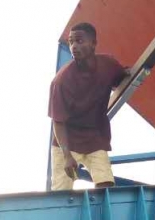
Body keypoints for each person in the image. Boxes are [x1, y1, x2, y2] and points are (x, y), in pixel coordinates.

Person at [48, 22, 129, 190]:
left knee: (105, 183)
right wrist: (66, 155)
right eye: (71, 42)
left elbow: (123, 76)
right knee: (61, 194)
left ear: (93, 44)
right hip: (67, 142)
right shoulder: (61, 81)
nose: (74, 46)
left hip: (95, 138)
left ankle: (100, 215)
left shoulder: (108, 65)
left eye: (79, 41)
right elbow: (58, 122)